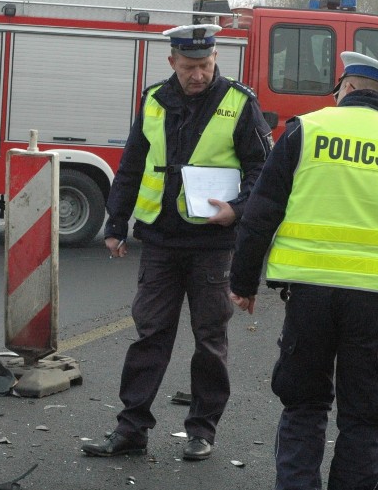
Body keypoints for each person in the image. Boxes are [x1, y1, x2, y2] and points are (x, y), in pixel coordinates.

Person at [229, 52, 378, 490]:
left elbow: (262, 211)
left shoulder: (306, 130)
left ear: (344, 87)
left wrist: (243, 281)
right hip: (376, 301)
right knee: (364, 419)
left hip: (308, 295)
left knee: (303, 404)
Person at [81, 24, 272, 461]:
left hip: (212, 243)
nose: (198, 75)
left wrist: (238, 210)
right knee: (150, 334)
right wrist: (115, 223)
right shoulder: (154, 100)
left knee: (209, 339)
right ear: (172, 63)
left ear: (215, 58)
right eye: (189, 67)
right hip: (161, 240)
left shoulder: (239, 103)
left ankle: (202, 431)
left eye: (205, 65)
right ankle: (131, 429)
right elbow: (131, 164)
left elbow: (263, 169)